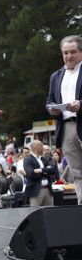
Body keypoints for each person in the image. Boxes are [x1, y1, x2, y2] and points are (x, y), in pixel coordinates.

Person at [47, 35, 82, 204]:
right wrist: (52, 109)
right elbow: (50, 100)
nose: (69, 56)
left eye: (73, 52)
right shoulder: (55, 76)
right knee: (77, 172)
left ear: (81, 52)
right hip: (66, 127)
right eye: (65, 52)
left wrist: (80, 105)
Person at [24, 140, 57, 206]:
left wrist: (41, 170)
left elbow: (53, 170)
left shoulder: (43, 159)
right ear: (36, 147)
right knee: (35, 213)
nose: (43, 148)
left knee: (49, 212)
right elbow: (31, 174)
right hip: (35, 191)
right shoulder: (28, 159)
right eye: (41, 146)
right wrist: (46, 171)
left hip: (48, 190)